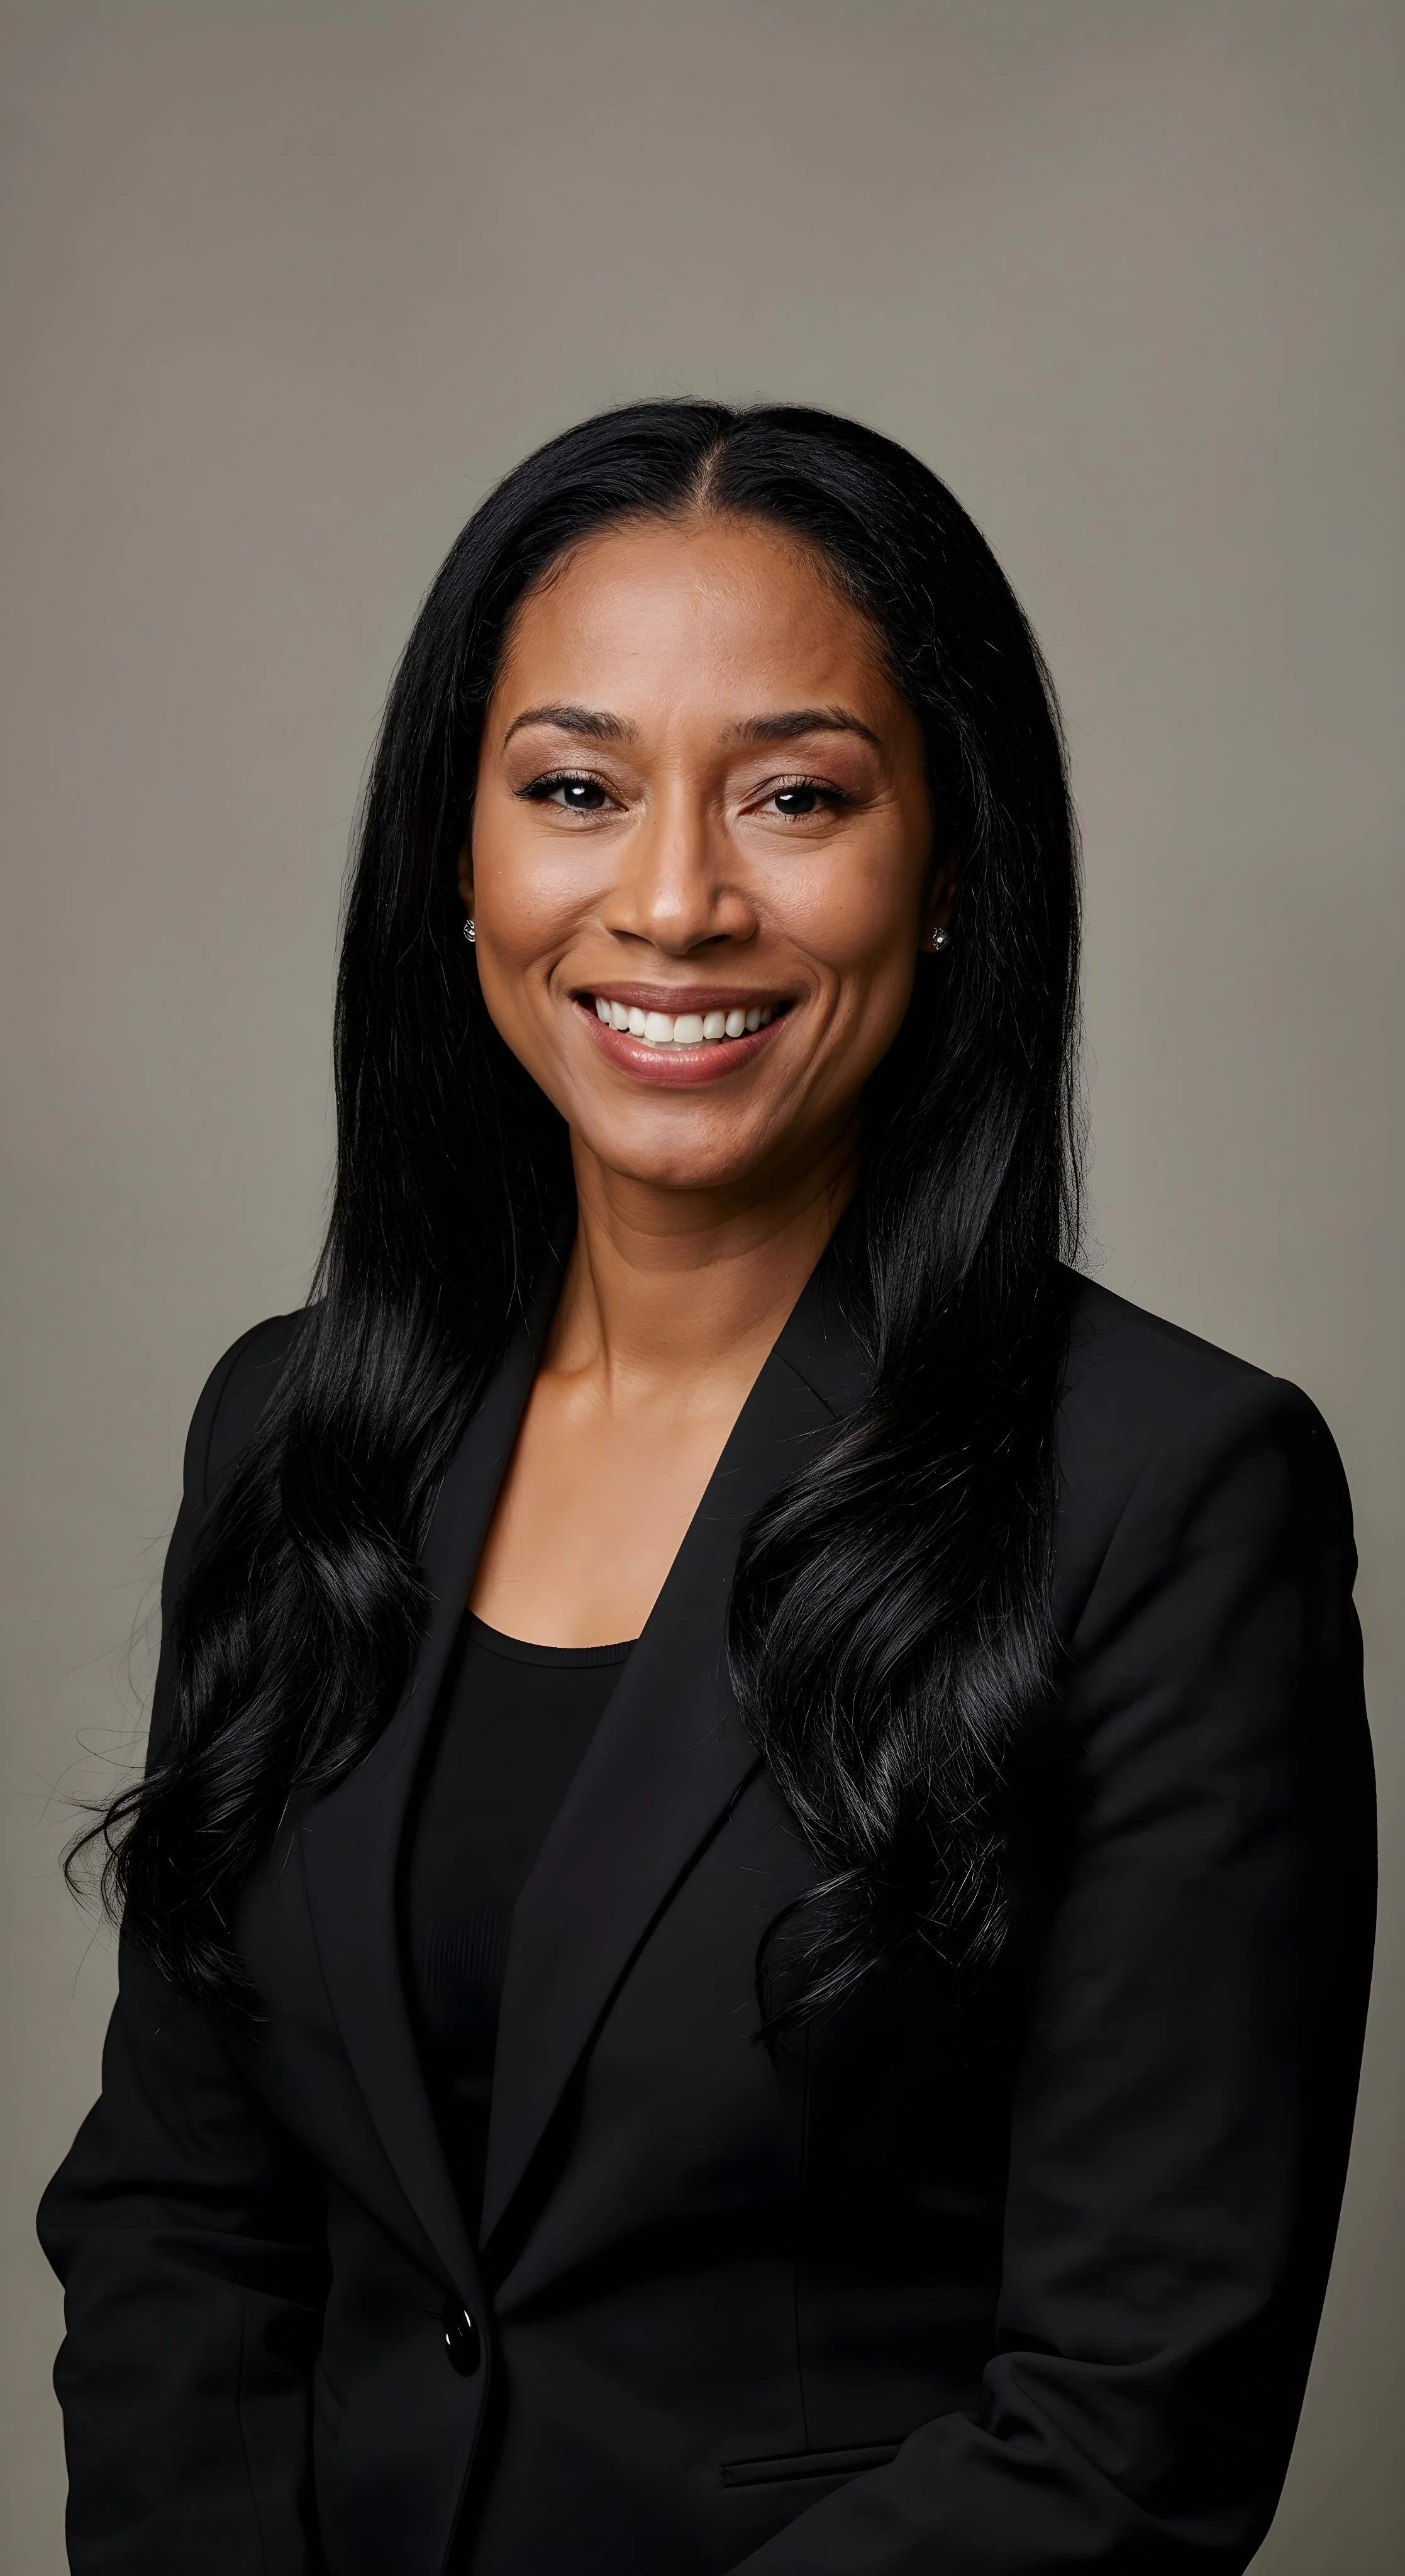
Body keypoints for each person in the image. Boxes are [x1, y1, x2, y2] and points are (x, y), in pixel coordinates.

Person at [39, 401, 1374, 2576]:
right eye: (573, 789)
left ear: (948, 868)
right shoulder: (291, 1437)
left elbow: (1131, 2423)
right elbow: (178, 2223)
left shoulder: (1165, 1496)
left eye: (796, 797)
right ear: (455, 864)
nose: (672, 899)